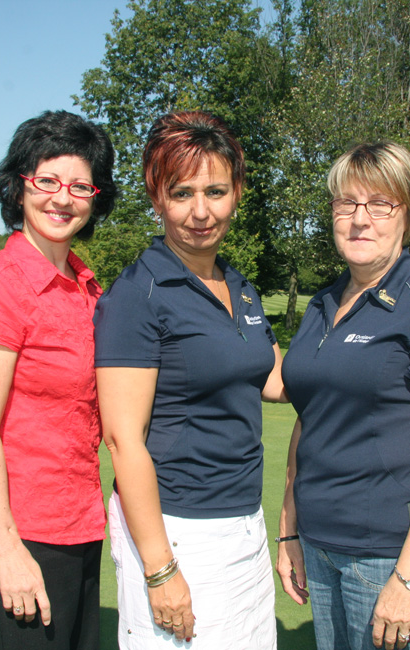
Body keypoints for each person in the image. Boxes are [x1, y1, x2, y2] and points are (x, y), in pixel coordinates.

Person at [276, 142, 410, 650]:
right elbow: (310, 417)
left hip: (386, 555)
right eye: (346, 204)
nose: (360, 219)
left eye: (379, 204)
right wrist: (289, 528)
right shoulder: (323, 301)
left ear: (406, 215)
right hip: (319, 543)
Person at [93, 110, 285, 649]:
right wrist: (159, 570)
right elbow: (122, 440)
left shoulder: (239, 286)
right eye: (181, 193)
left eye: (216, 191)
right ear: (157, 197)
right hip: (177, 530)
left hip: (246, 520)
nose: (201, 212)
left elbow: (274, 379)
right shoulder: (137, 295)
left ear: (237, 193)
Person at [0, 110, 116, 650]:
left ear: (95, 197)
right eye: (46, 180)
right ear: (19, 186)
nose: (62, 198)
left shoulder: (88, 287)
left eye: (79, 185)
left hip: (80, 527)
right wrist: (8, 550)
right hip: (19, 537)